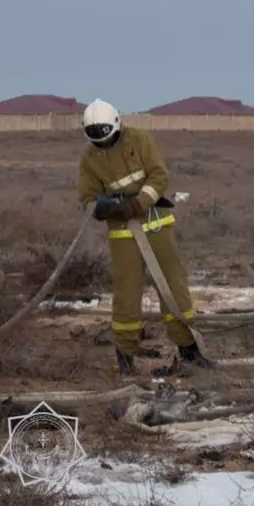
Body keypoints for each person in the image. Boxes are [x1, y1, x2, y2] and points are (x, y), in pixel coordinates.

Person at [77, 98, 212, 376]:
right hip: (123, 236)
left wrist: (139, 202)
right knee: (126, 296)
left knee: (173, 288)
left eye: (107, 138)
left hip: (157, 225)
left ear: (116, 125)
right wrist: (105, 207)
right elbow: (88, 199)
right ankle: (125, 358)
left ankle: (189, 350)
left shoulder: (139, 141)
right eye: (97, 140)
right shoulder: (90, 159)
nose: (103, 144)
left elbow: (158, 175)